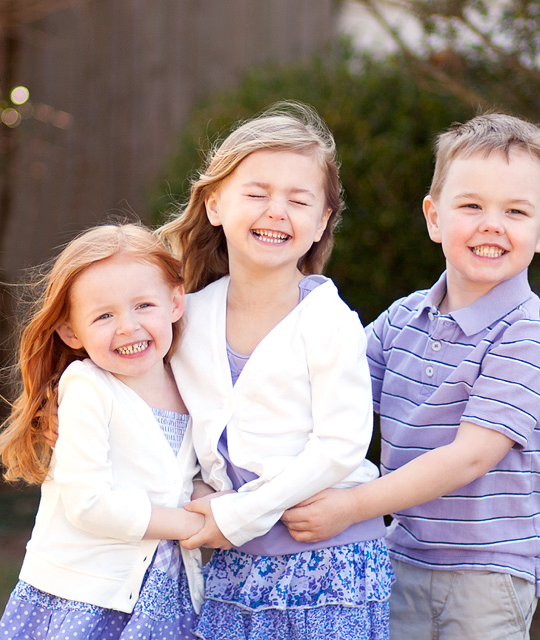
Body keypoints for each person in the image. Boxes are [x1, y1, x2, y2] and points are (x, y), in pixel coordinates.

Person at [282, 113, 540, 640]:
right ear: (434, 218)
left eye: (515, 211)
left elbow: (469, 457)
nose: (492, 224)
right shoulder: (402, 320)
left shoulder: (526, 336)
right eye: (471, 205)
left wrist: (351, 507)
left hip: (487, 573)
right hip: (401, 555)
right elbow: (329, 388)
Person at [159, 102, 393, 640]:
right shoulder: (186, 317)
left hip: (329, 563)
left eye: (299, 200)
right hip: (230, 562)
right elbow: (163, 409)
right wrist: (196, 485)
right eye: (257, 193)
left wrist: (240, 513)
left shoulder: (328, 319)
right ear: (215, 204)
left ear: (322, 222)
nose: (276, 212)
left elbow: (341, 445)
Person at [0, 222, 205, 640]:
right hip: (85, 596)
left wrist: (209, 502)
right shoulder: (87, 387)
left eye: (144, 305)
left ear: (176, 302)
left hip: (163, 596)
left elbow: (181, 480)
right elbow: (88, 504)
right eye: (104, 315)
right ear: (72, 331)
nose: (127, 327)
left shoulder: (190, 383)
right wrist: (188, 525)